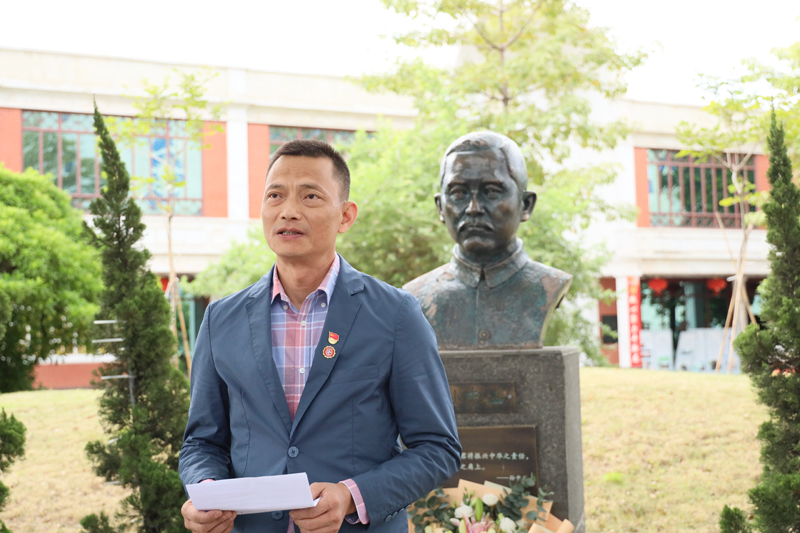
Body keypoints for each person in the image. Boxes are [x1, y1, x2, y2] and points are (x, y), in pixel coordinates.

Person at [179, 140, 461, 533]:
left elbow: (438, 448)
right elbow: (201, 442)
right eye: (275, 195)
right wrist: (206, 490)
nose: (289, 211)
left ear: (346, 215)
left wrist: (351, 496)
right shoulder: (221, 319)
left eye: (310, 196)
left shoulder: (396, 314)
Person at [404, 132, 572, 350]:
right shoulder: (416, 296)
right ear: (440, 208)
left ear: (526, 205)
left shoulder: (549, 285)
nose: (473, 208)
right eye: (458, 193)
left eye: (491, 192)